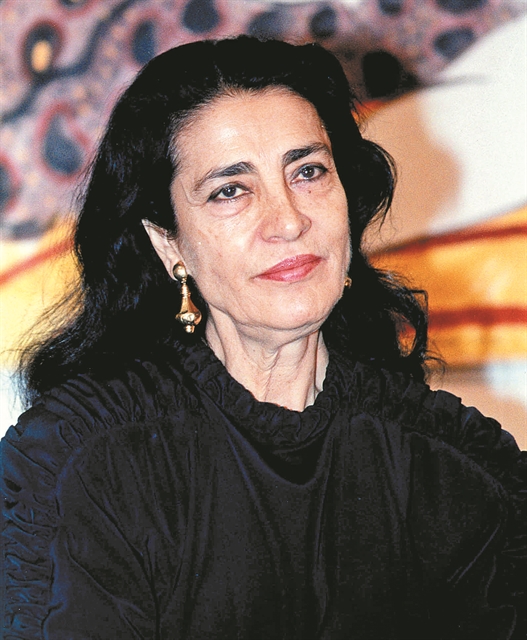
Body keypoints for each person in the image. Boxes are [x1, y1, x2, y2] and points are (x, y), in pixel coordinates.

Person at [0, 35, 524, 640]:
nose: (289, 221)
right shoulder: (78, 462)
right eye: (231, 190)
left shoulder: (458, 468)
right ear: (168, 243)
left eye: (308, 172)